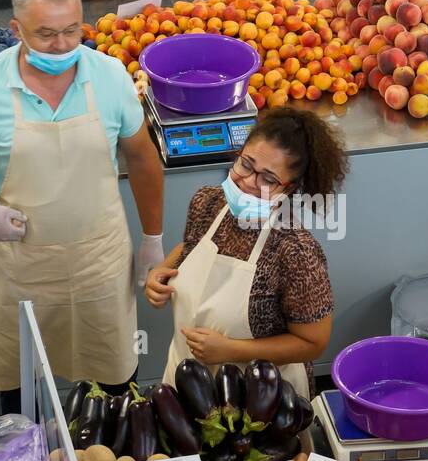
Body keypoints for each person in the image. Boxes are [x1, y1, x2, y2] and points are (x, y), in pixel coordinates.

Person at [0, 0, 164, 414]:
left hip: (99, 261)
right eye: (46, 34)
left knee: (113, 383)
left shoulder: (109, 76)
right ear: (16, 31)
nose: (63, 45)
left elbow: (143, 157)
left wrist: (152, 238)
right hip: (24, 266)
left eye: (72, 30)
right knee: (20, 385)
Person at [145, 107, 348, 396]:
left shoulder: (296, 251)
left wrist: (232, 351)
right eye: (246, 165)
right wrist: (160, 273)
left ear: (290, 189)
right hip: (186, 379)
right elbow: (191, 246)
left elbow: (313, 342)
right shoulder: (208, 202)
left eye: (268, 179)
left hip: (258, 398)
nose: (249, 183)